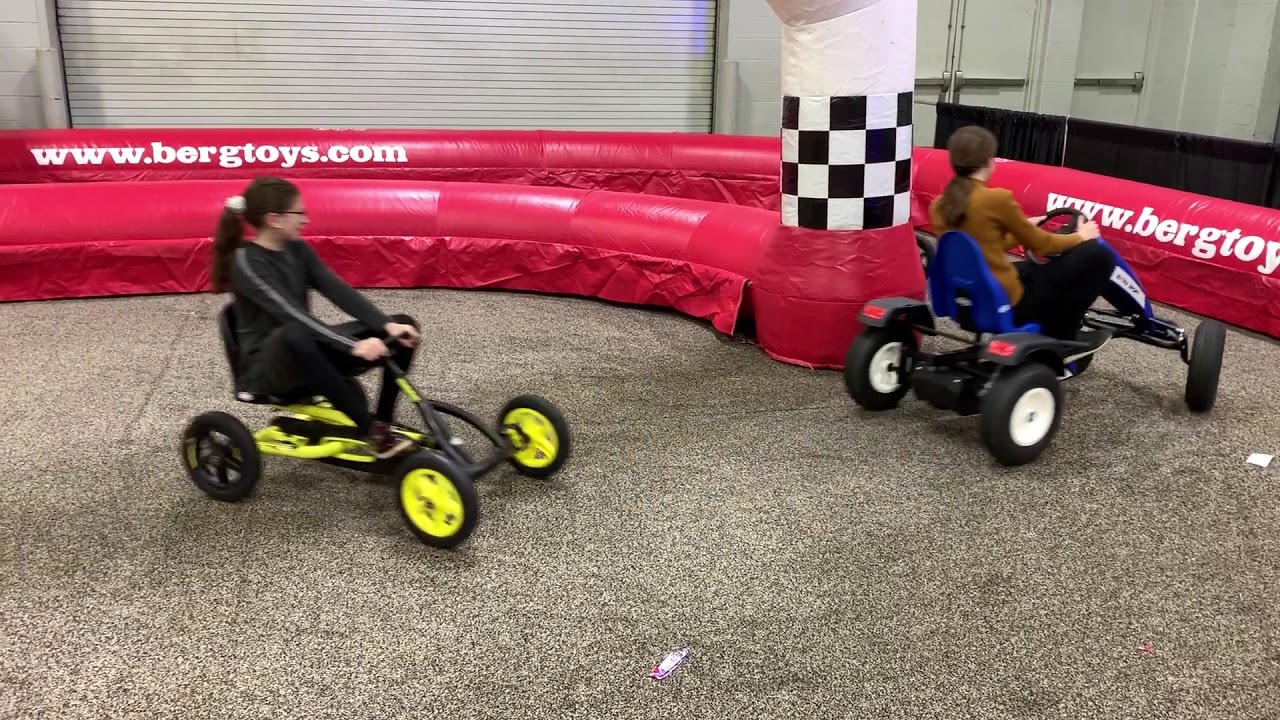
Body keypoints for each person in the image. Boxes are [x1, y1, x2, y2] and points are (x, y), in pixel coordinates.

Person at [211, 176, 421, 459]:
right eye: (299, 213)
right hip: (268, 371)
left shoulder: (297, 250)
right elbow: (290, 313)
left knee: (403, 325)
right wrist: (352, 346)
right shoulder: (246, 261)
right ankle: (372, 430)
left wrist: (387, 325)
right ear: (275, 219)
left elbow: (337, 289)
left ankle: (381, 424)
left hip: (304, 351)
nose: (306, 220)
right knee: (294, 332)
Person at [929, 125, 1116, 361]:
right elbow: (1044, 245)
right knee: (1099, 256)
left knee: (1030, 268)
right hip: (1008, 305)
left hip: (964, 299)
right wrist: (1082, 236)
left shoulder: (940, 204)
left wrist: (1025, 227)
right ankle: (1064, 336)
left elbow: (982, 247)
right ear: (990, 160)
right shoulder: (997, 198)